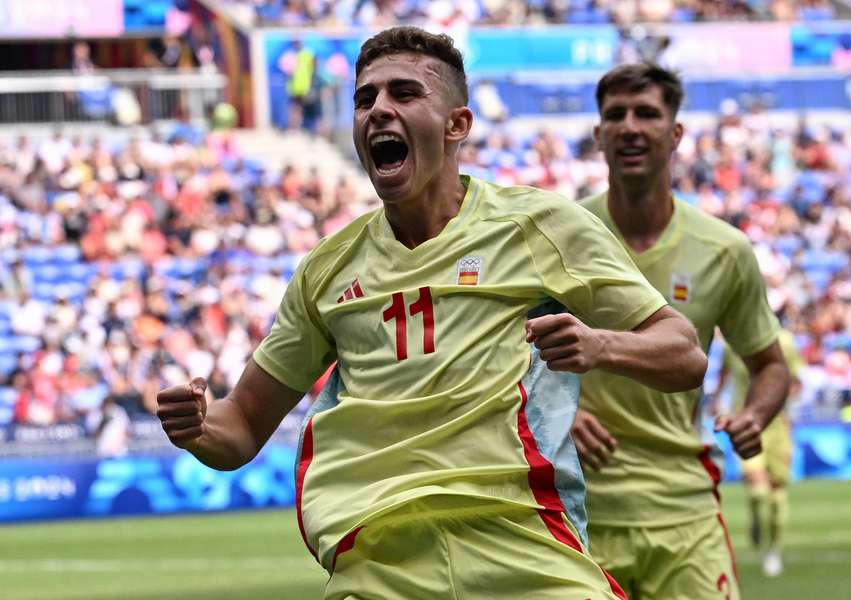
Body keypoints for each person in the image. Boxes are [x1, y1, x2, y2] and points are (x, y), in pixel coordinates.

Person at [156, 29, 707, 599]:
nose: (378, 110)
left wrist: (602, 347)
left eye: (404, 94)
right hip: (378, 566)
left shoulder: (538, 225)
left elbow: (684, 353)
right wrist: (198, 426)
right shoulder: (326, 270)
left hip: (525, 551)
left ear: (457, 125)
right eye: (365, 99)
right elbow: (241, 426)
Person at [575, 62, 791, 600]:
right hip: (579, 510)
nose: (630, 126)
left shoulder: (724, 249)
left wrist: (753, 415)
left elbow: (769, 365)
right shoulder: (561, 235)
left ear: (675, 134)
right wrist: (557, 410)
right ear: (599, 135)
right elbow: (503, 354)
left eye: (646, 113)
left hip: (684, 509)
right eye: (615, 115)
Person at [711, 328, 804, 577]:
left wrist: (790, 416)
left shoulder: (785, 341)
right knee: (758, 491)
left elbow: (794, 382)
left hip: (777, 427)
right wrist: (716, 400)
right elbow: (724, 373)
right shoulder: (733, 343)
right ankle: (755, 518)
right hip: (746, 424)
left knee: (777, 496)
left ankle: (773, 549)